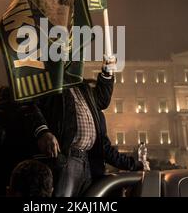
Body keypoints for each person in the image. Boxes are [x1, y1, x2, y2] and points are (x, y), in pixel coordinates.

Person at [29, 57, 143, 197]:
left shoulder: (82, 86)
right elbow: (31, 106)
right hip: (67, 157)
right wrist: (43, 131)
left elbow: (102, 100)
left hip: (88, 161)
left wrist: (107, 72)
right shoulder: (49, 81)